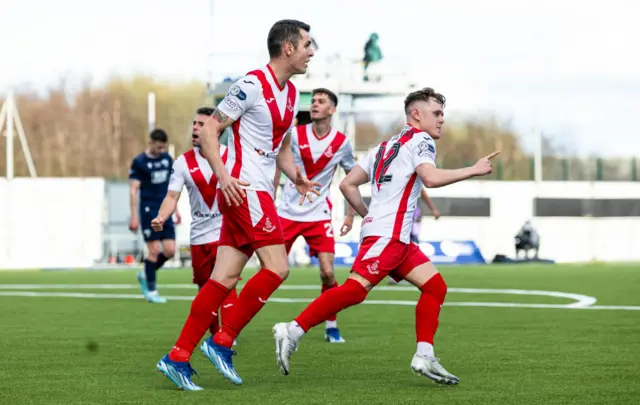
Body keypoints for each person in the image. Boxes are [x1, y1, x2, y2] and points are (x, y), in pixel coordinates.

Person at [273, 87, 499, 386]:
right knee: (355, 291)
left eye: (442, 114)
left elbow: (347, 185)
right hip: (390, 235)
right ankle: (292, 330)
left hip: (394, 236)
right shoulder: (421, 140)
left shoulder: (383, 146)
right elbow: (430, 177)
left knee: (435, 287)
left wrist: (368, 215)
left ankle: (425, 354)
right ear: (416, 114)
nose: (441, 119)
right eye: (437, 113)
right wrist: (473, 169)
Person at [156, 19, 319, 391]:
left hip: (257, 190)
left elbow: (282, 147)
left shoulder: (292, 93)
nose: (312, 52)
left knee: (223, 278)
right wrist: (224, 175)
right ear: (288, 47)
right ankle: (223, 340)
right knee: (277, 269)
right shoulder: (250, 85)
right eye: (308, 44)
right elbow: (212, 129)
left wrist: (296, 177)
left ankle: (178, 356)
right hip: (245, 189)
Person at [275, 87, 356, 343]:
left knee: (327, 272)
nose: (315, 105)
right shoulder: (296, 135)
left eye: (321, 101)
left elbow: (351, 178)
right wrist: (270, 194)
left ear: (332, 110)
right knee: (272, 272)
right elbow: (280, 161)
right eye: (313, 101)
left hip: (319, 213)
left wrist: (350, 215)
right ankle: (233, 329)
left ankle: (331, 326)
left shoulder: (342, 143)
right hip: (288, 210)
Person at [151, 107, 239, 342]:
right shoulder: (182, 162)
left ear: (215, 129)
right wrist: (162, 217)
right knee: (204, 291)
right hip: (199, 236)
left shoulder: (231, 156)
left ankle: (228, 335)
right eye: (194, 124)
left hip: (226, 233)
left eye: (201, 124)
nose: (195, 128)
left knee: (228, 285)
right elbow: (171, 197)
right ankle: (214, 335)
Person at [129, 129, 181, 303]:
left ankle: (145, 273)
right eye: (158, 147)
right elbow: (133, 190)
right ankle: (151, 290)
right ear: (150, 143)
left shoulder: (167, 159)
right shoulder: (139, 162)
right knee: (153, 251)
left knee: (170, 250)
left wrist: (177, 210)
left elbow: (173, 187)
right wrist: (133, 216)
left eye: (163, 148)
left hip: (165, 210)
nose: (161, 151)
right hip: (148, 211)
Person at [388, 188, 440, 285]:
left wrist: (433, 208)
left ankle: (401, 274)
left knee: (408, 244)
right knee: (403, 244)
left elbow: (422, 191)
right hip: (405, 213)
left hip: (412, 213)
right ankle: (397, 275)